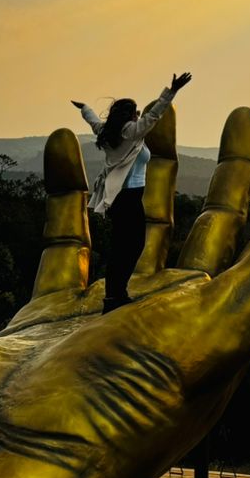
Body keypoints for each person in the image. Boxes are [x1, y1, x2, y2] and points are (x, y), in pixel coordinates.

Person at [71, 71, 192, 312]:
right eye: (136, 111)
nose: (139, 115)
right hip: (128, 198)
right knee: (132, 245)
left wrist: (84, 107)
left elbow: (93, 120)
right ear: (128, 115)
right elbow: (155, 114)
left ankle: (115, 295)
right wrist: (172, 91)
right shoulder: (131, 131)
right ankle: (116, 295)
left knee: (123, 245)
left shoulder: (108, 132)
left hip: (121, 199)